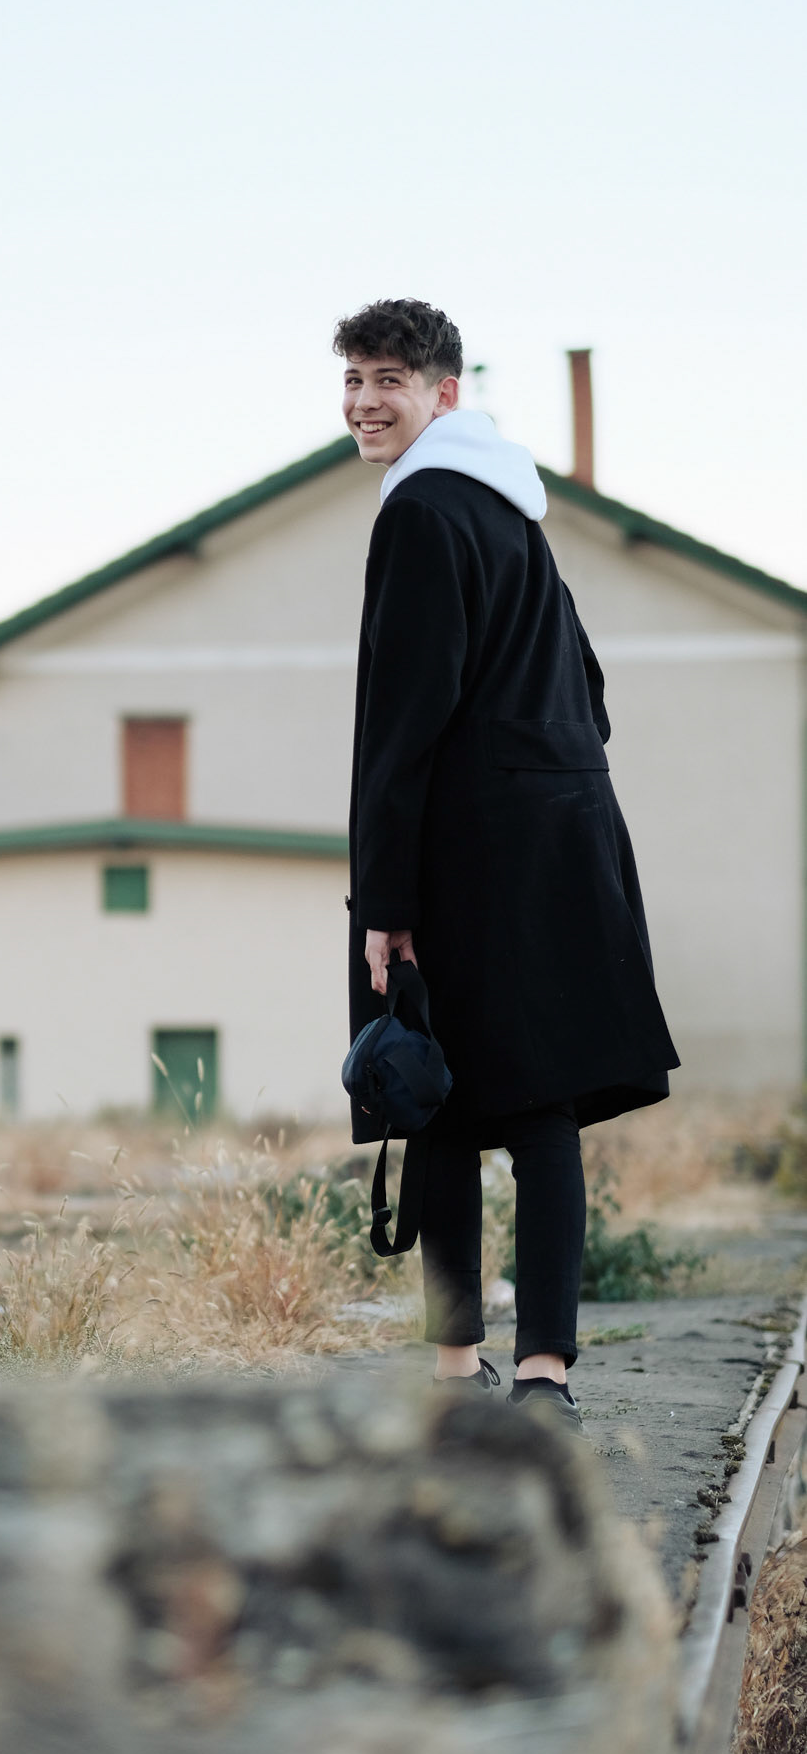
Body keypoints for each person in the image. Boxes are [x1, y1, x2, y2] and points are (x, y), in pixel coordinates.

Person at [340, 297, 678, 1431]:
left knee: (435, 1099)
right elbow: (589, 689)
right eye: (352, 380)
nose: (363, 402)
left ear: (445, 393)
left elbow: (403, 723)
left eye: (388, 380)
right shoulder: (512, 511)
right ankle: (544, 1375)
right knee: (540, 1111)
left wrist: (386, 900)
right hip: (564, 842)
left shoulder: (420, 509)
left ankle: (454, 1371)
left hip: (467, 853)